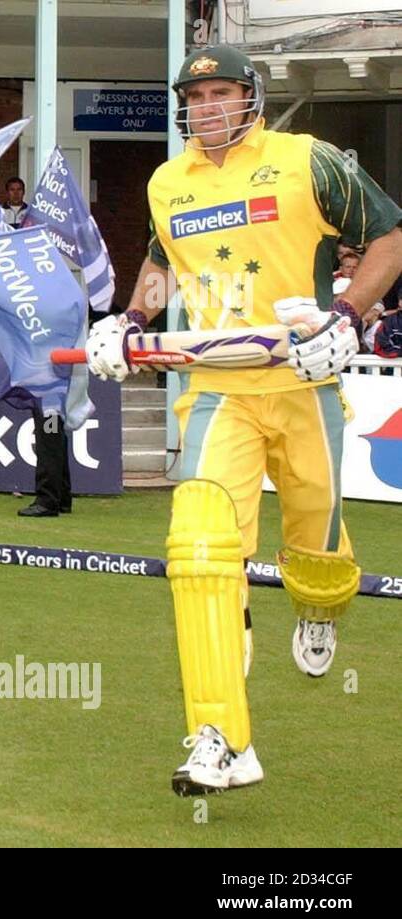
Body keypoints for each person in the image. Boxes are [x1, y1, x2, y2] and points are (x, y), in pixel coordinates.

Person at [85, 46, 402, 796]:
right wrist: (127, 318)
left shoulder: (307, 159)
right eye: (195, 97)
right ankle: (221, 737)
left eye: (221, 92)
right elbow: (165, 265)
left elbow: (390, 237)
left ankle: (319, 604)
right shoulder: (169, 180)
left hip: (304, 383)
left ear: (251, 97)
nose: (208, 108)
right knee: (200, 551)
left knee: (315, 541)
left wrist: (349, 314)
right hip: (216, 389)